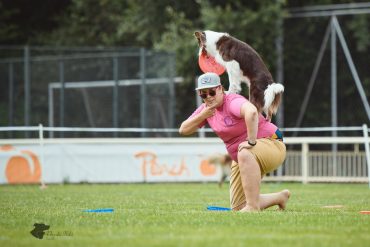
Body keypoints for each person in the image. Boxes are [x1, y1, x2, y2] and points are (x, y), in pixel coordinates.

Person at [179, 72, 290, 212]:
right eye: (203, 94)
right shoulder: (206, 110)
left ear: (220, 88)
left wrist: (251, 141)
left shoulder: (231, 101)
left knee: (244, 151)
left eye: (212, 92)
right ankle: (280, 197)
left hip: (272, 144)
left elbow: (252, 112)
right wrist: (203, 115)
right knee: (238, 207)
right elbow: (183, 130)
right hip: (243, 156)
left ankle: (252, 207)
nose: (208, 97)